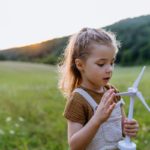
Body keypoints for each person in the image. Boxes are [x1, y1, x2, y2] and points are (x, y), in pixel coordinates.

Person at [58, 27, 139, 150]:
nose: (109, 69)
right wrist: (97, 119)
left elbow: (120, 129)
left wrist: (128, 128)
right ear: (80, 65)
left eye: (112, 63)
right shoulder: (78, 99)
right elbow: (74, 145)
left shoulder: (113, 92)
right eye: (101, 64)